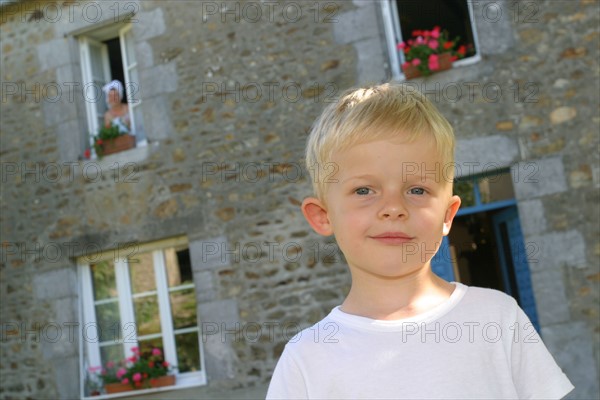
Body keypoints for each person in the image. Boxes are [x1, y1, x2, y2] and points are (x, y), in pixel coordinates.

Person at [266, 83, 574, 399]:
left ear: (447, 214)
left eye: (417, 190)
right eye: (364, 191)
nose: (394, 208)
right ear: (323, 215)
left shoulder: (497, 318)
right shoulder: (306, 360)